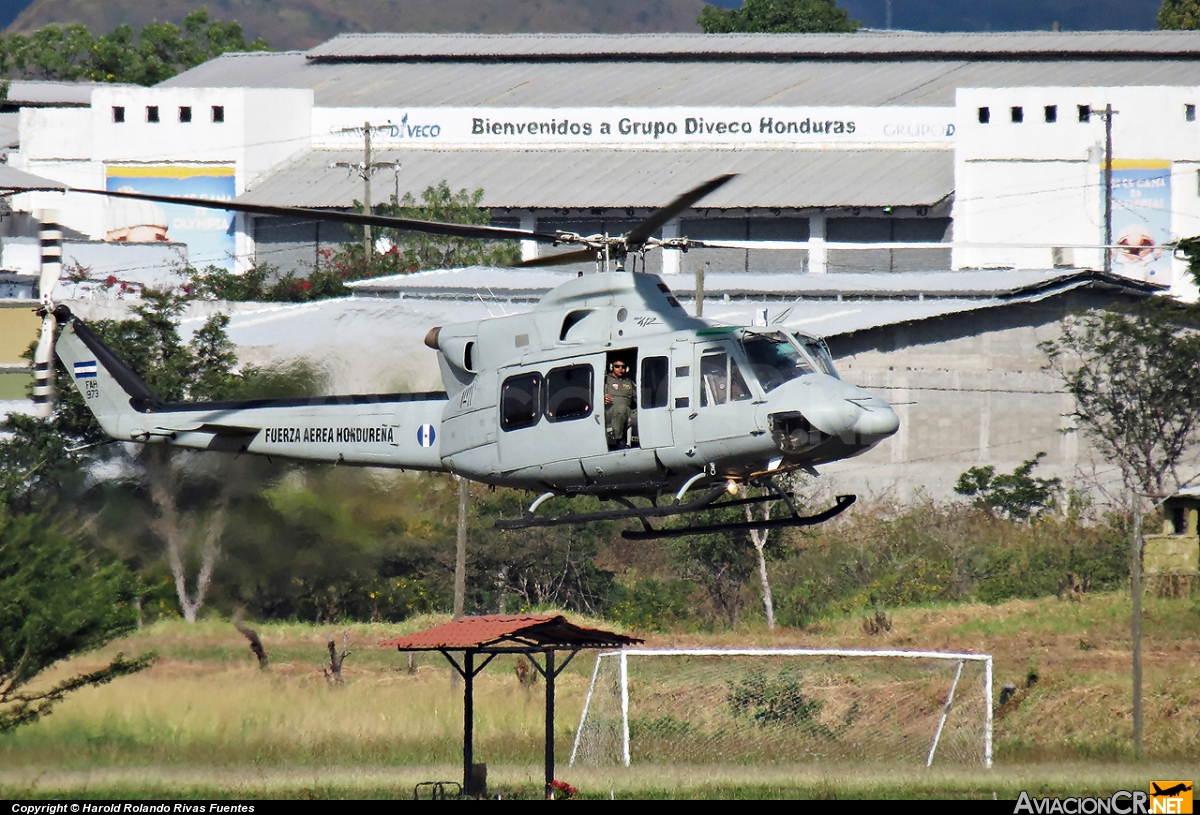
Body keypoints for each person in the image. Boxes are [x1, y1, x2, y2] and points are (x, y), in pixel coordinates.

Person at [604, 360, 637, 449]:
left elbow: (636, 397)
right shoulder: (606, 380)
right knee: (620, 409)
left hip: (628, 410)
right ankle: (618, 440)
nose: (620, 369)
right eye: (617, 366)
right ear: (612, 367)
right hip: (610, 410)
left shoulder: (628, 381)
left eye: (623, 367)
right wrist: (603, 397)